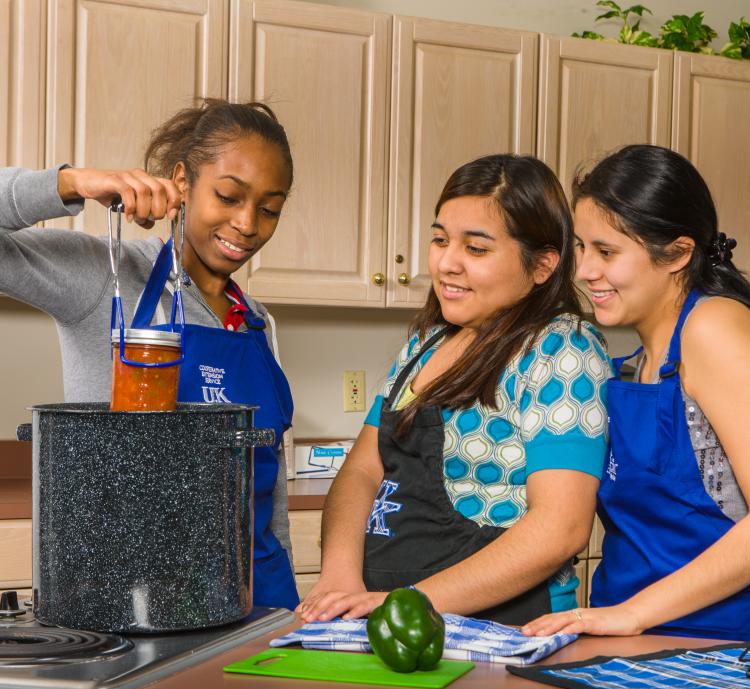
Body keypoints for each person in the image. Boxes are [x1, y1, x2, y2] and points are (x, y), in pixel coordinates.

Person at [0, 99, 299, 610]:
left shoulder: (257, 322)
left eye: (269, 209)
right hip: (128, 605)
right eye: (228, 196)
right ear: (182, 181)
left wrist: (290, 612)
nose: (248, 224)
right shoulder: (105, 277)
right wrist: (70, 183)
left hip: (254, 605)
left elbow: (268, 498)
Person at [298, 154, 612, 624]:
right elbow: (362, 468)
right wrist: (340, 577)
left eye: (477, 249)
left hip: (494, 625)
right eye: (440, 240)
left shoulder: (561, 349)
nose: (447, 263)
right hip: (387, 612)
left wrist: (407, 603)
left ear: (543, 265)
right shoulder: (426, 344)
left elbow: (560, 529)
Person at [523, 144, 750, 641]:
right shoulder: (632, 367)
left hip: (715, 648)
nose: (583, 271)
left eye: (606, 252)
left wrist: (634, 613)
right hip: (626, 639)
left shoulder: (713, 327)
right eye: (581, 248)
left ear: (679, 254)